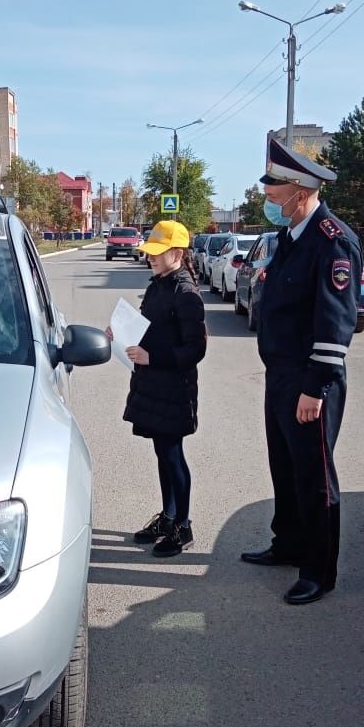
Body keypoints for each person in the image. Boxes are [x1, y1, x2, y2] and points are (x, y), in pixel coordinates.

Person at [240, 138, 363, 605]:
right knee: (284, 466)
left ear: (301, 191)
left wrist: (315, 387)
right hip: (281, 376)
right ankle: (287, 543)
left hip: (311, 381)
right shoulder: (291, 238)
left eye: (275, 197)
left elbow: (335, 323)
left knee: (314, 475)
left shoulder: (332, 241)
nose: (271, 204)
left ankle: (318, 570)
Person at [109, 220, 207, 557]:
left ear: (177, 253)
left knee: (172, 454)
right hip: (153, 384)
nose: (149, 257)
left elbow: (196, 350)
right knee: (162, 453)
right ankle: (168, 517)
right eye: (149, 252)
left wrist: (155, 356)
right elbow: (149, 328)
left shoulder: (186, 293)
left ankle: (183, 526)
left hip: (174, 387)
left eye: (157, 252)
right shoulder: (159, 285)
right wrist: (120, 334)